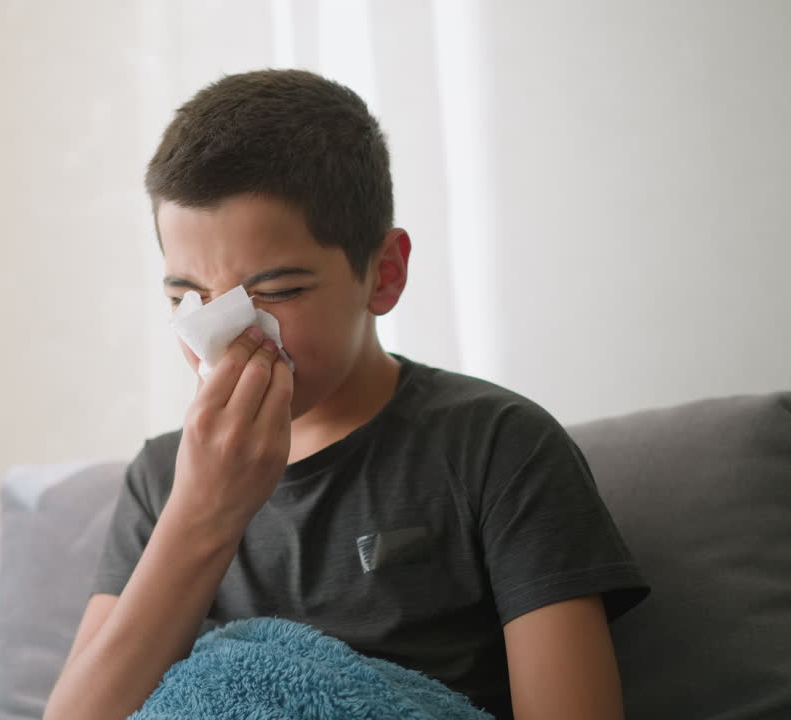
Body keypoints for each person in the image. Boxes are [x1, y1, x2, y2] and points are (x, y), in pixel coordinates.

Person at [43, 69, 648, 720]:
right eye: (185, 299)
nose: (226, 340)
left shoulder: (498, 447)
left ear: (383, 274)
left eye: (275, 292)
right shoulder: (162, 478)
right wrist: (202, 511)